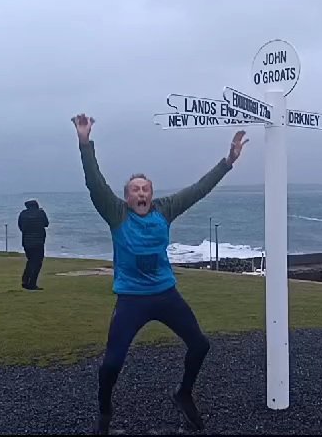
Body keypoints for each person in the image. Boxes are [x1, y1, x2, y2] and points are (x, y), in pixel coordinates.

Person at [72, 113, 248, 435]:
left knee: (200, 345)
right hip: (131, 299)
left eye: (145, 189)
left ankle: (183, 394)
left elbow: (198, 190)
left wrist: (228, 161)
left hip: (165, 295)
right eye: (135, 190)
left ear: (151, 195)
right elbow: (95, 183)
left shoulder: (164, 210)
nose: (141, 194)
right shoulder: (116, 214)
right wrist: (85, 142)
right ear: (127, 197)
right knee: (111, 364)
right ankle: (104, 414)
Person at [18, 198, 49, 290]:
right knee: (37, 262)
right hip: (39, 241)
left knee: (30, 261)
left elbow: (20, 226)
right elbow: (46, 224)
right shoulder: (40, 213)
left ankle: (25, 280)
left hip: (26, 241)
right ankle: (32, 283)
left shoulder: (23, 214)